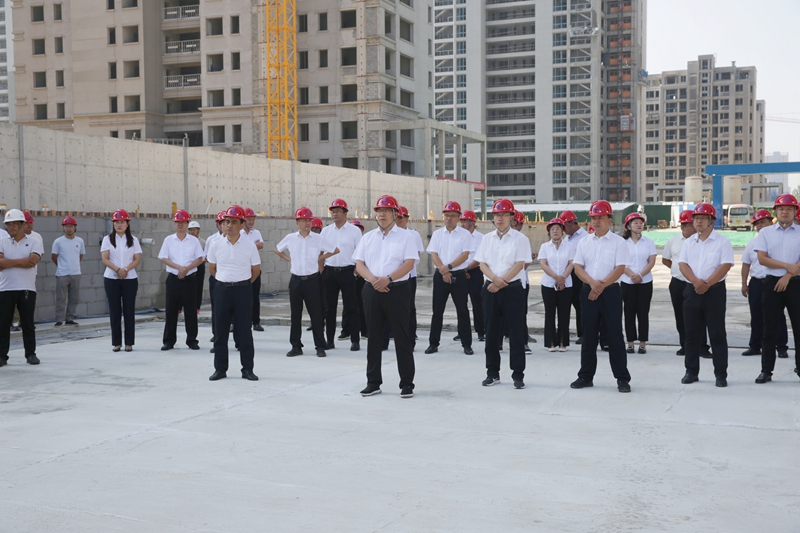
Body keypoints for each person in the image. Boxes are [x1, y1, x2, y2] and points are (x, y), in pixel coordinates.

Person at [353, 195, 418, 398]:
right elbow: (359, 264)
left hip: (397, 290)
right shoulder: (368, 237)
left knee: (401, 337)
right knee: (373, 337)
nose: (382, 214)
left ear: (395, 214)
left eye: (387, 211)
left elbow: (409, 263)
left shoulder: (406, 236)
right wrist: (374, 280)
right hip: (372, 289)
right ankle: (373, 382)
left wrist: (388, 279)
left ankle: (406, 383)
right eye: (379, 211)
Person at [570, 200, 632, 393]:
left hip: (611, 292)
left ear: (609, 220)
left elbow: (620, 268)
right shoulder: (584, 242)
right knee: (588, 335)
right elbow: (578, 267)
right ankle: (585, 376)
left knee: (614, 335)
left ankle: (622, 378)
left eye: (600, 218)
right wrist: (592, 283)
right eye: (593, 218)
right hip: (588, 291)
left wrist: (601, 286)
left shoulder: (619, 242)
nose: (596, 221)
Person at [475, 198, 531, 389]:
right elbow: (482, 263)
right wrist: (494, 280)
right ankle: (492, 373)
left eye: (504, 215)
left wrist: (501, 282)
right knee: (491, 333)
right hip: (490, 289)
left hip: (512, 290)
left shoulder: (520, 239)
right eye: (497, 215)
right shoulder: (486, 239)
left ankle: (518, 374)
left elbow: (519, 264)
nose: (500, 218)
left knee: (516, 333)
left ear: (511, 217)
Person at [678, 203, 734, 387]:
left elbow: (725, 265)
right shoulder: (689, 242)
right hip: (692, 290)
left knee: (717, 334)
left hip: (714, 292)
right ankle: (691, 371)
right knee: (691, 334)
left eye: (703, 218)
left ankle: (720, 374)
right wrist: (696, 282)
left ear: (711, 221)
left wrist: (707, 284)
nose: (698, 221)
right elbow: (683, 264)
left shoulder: (722, 242)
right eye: (696, 218)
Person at [207, 205, 261, 381]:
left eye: (234, 222)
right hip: (222, 290)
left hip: (243, 291)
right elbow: (212, 269)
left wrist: (242, 284)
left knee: (244, 331)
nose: (229, 225)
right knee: (220, 331)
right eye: (227, 222)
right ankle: (220, 369)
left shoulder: (249, 246)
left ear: (241, 225)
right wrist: (225, 281)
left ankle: (247, 369)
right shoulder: (215, 244)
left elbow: (255, 271)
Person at [752, 194, 800, 384]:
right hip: (771, 284)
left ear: (795, 211)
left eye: (789, 208)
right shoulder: (766, 233)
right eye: (781, 209)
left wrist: (788, 275)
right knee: (769, 329)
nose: (785, 212)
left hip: (796, 284)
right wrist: (788, 267)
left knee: (798, 328)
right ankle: (766, 371)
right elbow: (762, 259)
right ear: (776, 212)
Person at [275, 207, 335, 358]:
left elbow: (335, 250)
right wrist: (289, 259)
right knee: (295, 315)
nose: (307, 223)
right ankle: (296, 346)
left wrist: (320, 258)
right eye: (304, 220)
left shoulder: (318, 238)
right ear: (297, 222)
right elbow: (277, 249)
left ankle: (320, 346)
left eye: (309, 220)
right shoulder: (290, 238)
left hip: (312, 281)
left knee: (316, 314)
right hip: (296, 280)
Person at [425, 201, 476, 355]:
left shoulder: (465, 235)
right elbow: (434, 254)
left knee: (462, 310)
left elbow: (465, 255)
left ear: (459, 217)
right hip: (441, 276)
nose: (449, 218)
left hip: (459, 276)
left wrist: (449, 267)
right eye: (447, 215)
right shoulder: (437, 234)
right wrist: (444, 271)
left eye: (452, 216)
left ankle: (466, 344)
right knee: (437, 311)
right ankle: (433, 343)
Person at [662, 210, 711, 358]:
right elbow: (665, 259)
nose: (694, 227)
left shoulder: (701, 241)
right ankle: (685, 345)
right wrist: (678, 270)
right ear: (683, 227)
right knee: (680, 315)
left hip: (696, 284)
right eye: (690, 225)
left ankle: (702, 347)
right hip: (678, 283)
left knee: (700, 316)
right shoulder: (673, 241)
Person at [741, 209, 789, 358]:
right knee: (756, 315)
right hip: (756, 282)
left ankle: (781, 347)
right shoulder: (752, 243)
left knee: (777, 315)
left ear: (771, 222)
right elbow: (746, 264)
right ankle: (755, 346)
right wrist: (744, 284)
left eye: (763, 222)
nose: (760, 225)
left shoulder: (779, 239)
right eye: (757, 224)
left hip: (775, 281)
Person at [0, 209, 43, 367]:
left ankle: (30, 354)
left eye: (14, 224)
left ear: (22, 225)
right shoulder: (2, 242)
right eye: (8, 224)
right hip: (5, 288)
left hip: (26, 288)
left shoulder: (34, 242)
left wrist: (8, 262)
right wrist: (21, 261)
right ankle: (2, 356)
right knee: (3, 324)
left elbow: (32, 262)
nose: (11, 227)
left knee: (28, 323)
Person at [158, 209, 205, 351]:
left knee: (190, 311)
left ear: (187, 224)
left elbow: (200, 258)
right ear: (174, 224)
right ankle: (169, 341)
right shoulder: (168, 240)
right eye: (178, 222)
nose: (180, 225)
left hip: (190, 280)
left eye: (183, 222)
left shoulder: (194, 241)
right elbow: (164, 258)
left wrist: (186, 269)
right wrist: (179, 268)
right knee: (171, 311)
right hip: (173, 279)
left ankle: (192, 340)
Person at [319, 198, 362, 351]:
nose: (335, 214)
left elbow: (360, 252)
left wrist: (356, 271)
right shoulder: (326, 231)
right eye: (333, 211)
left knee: (352, 307)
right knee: (329, 309)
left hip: (348, 272)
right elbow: (320, 252)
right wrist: (322, 270)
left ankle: (355, 340)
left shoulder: (354, 231)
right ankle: (329, 340)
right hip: (330, 272)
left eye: (338, 211)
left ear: (345, 213)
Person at [101, 209, 142, 353]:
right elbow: (105, 259)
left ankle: (129, 343)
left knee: (129, 311)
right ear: (113, 224)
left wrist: (126, 270)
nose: (119, 225)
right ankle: (116, 343)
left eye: (122, 222)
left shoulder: (134, 240)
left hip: (130, 279)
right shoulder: (107, 239)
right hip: (111, 278)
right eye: (117, 222)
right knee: (115, 311)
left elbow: (137, 259)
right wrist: (118, 270)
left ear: (127, 224)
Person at [620, 212, 657, 354]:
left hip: (645, 281)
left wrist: (640, 275)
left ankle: (642, 343)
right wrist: (632, 275)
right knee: (629, 312)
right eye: (635, 223)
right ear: (628, 226)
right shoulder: (623, 243)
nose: (639, 225)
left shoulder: (649, 242)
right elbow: (620, 263)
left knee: (643, 312)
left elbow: (651, 261)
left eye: (641, 223)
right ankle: (630, 343)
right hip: (627, 281)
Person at [538, 217, 574, 352]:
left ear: (562, 231)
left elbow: (571, 263)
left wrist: (563, 278)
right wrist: (556, 277)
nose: (555, 231)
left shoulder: (570, 246)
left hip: (566, 284)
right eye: (552, 229)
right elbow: (543, 264)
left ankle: (563, 342)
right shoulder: (544, 247)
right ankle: (551, 343)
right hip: (548, 284)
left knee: (564, 313)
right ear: (549, 231)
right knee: (550, 313)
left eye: (558, 228)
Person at [395, 206, 425, 348]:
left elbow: (415, 257)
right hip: (391, 277)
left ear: (406, 218)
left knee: (409, 308)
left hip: (408, 276)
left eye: (401, 218)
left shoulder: (413, 235)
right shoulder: (388, 234)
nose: (398, 221)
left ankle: (410, 339)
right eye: (397, 218)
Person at [51, 216, 85, 327]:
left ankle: (70, 318)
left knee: (74, 298)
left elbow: (80, 256)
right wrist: (62, 266)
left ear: (75, 227)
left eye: (71, 226)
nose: (68, 228)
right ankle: (59, 319)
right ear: (63, 228)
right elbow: (54, 257)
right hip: (62, 274)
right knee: (61, 298)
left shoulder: (80, 241)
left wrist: (73, 265)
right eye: (66, 226)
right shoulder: (58, 242)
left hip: (76, 273)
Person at [561, 210, 588, 344]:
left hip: (579, 274)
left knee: (581, 305)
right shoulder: (566, 238)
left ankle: (584, 334)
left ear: (571, 223)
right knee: (567, 303)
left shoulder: (585, 237)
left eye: (564, 226)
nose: (563, 230)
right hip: (567, 274)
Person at [457, 210, 485, 342]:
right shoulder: (458, 236)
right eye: (461, 221)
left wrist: (467, 269)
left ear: (472, 222)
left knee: (477, 302)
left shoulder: (481, 238)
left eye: (465, 221)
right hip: (460, 271)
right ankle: (462, 332)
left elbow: (480, 257)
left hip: (475, 272)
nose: (462, 224)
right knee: (461, 303)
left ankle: (481, 331)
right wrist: (462, 269)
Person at [205, 211, 226, 349]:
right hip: (216, 277)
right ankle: (216, 334)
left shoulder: (240, 238)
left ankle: (238, 339)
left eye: (226, 222)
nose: (223, 225)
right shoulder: (212, 240)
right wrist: (218, 273)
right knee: (217, 308)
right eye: (221, 223)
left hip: (233, 279)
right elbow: (208, 258)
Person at [242, 207, 265, 332]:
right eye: (249, 219)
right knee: (239, 298)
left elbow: (261, 245)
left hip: (254, 269)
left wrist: (246, 245)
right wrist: (253, 245)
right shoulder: (239, 232)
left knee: (255, 297)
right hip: (241, 270)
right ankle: (236, 322)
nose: (251, 222)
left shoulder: (256, 233)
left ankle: (256, 322)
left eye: (253, 219)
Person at [346, 218, 369, 341]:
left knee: (361, 303)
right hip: (349, 273)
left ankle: (364, 330)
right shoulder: (346, 239)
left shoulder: (364, 240)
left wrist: (358, 271)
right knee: (349, 304)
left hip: (360, 275)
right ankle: (346, 330)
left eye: (359, 228)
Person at [187, 220, 206, 314]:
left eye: (194, 230)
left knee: (198, 286)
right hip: (189, 266)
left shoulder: (203, 242)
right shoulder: (186, 241)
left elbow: (205, 256)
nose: (192, 232)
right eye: (190, 230)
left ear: (198, 230)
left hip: (199, 267)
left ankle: (197, 306)